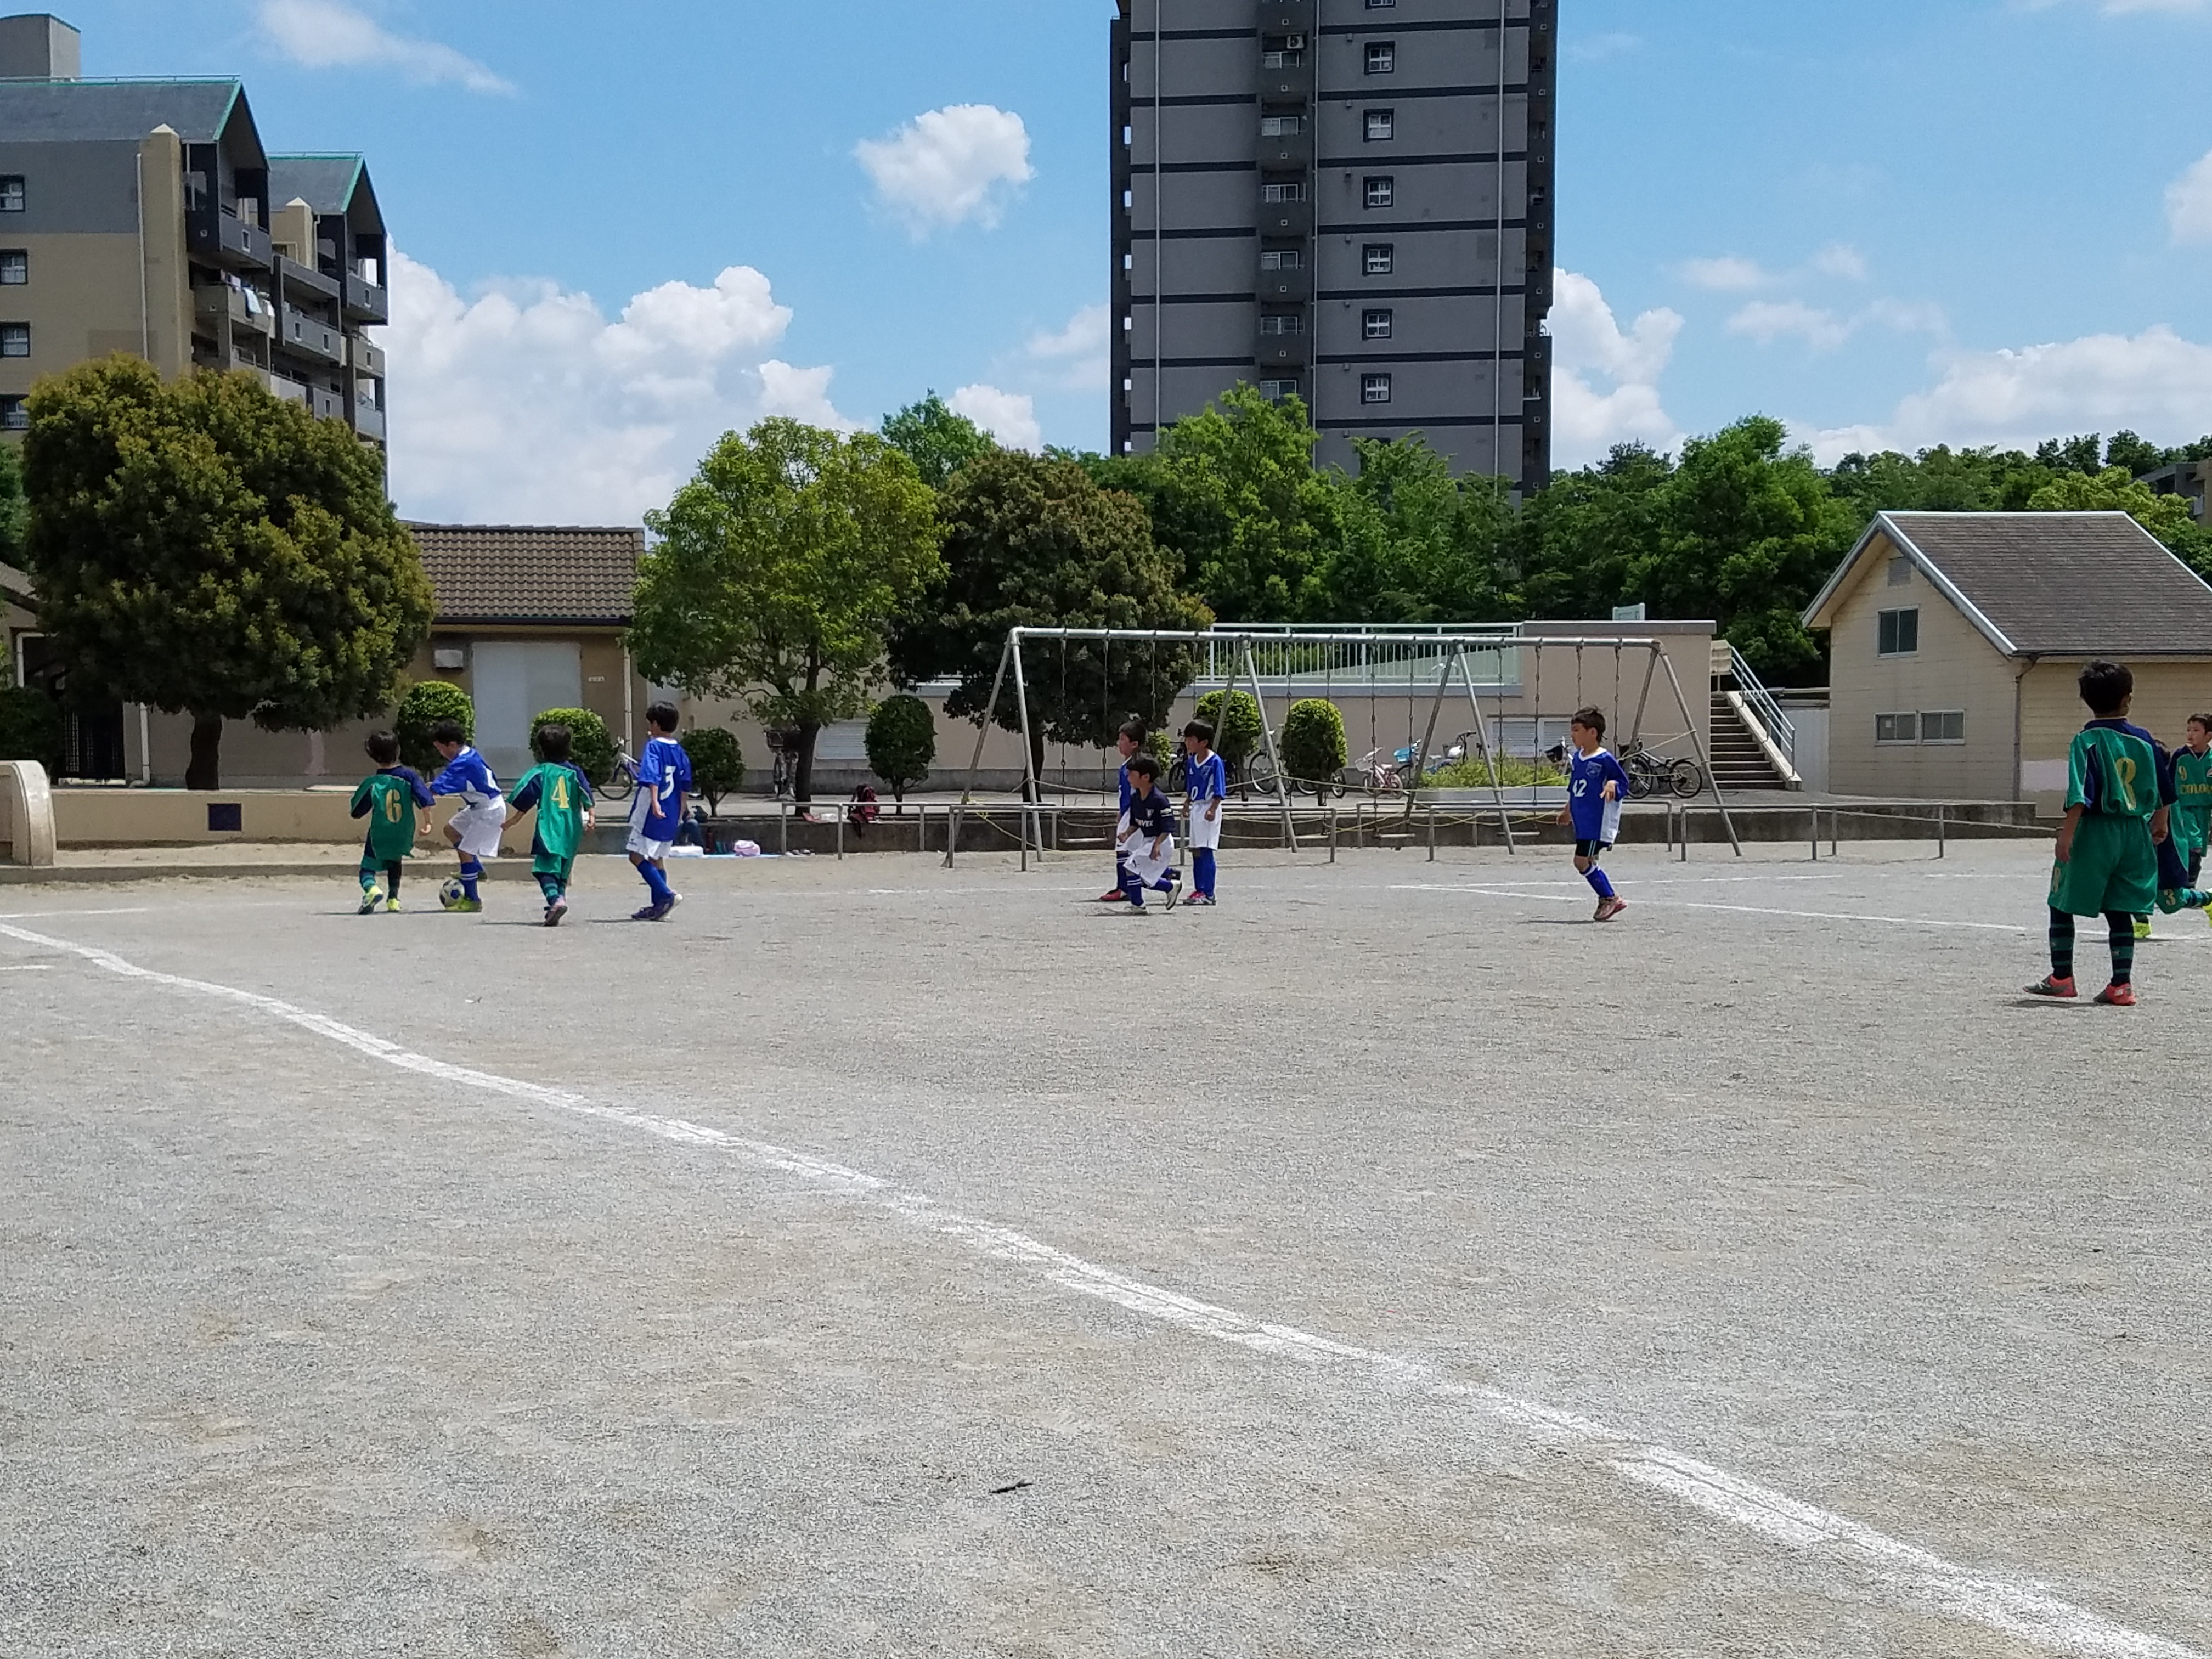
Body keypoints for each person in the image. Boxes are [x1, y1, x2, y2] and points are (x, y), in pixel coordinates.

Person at [2030, 661, 2176, 1006]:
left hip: (2096, 830)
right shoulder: (2145, 740)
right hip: (2134, 831)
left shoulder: (2086, 741)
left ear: (2085, 699)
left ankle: (2062, 977)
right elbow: (2165, 789)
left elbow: (2080, 793)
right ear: (2128, 698)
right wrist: (2161, 822)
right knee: (2121, 906)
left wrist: (2066, 835)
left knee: (2060, 900)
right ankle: (2121, 985)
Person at [504, 724, 595, 927]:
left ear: (541, 750)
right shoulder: (574, 772)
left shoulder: (541, 772)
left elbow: (524, 795)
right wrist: (592, 815)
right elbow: (586, 793)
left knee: (544, 869)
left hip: (550, 828)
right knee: (562, 871)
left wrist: (513, 820)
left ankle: (555, 901)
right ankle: (558, 901)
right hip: (571, 828)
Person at [1556, 705, 1633, 923]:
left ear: (1593, 733)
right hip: (1582, 820)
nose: (1573, 735)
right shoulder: (1579, 758)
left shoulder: (1604, 759)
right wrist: (1567, 811)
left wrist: (1611, 784)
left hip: (1596, 822)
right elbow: (1575, 788)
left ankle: (1610, 897)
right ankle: (1608, 897)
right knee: (1585, 861)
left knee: (1581, 861)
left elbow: (1622, 783)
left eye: (1577, 730)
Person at [348, 731, 432, 914]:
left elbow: (356, 811)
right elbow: (424, 799)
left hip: (380, 830)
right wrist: (428, 822)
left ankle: (372, 889)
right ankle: (393, 899)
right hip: (403, 831)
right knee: (396, 861)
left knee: (367, 867)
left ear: (372, 756)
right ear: (398, 750)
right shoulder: (409, 777)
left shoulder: (372, 783)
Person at [427, 720, 505, 913]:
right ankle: (475, 870)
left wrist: (416, 790)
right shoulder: (468, 754)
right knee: (451, 830)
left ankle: (473, 899)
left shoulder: (463, 763)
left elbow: (437, 789)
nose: (440, 753)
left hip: (489, 810)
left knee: (466, 851)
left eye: (441, 749)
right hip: (479, 806)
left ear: (452, 745)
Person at [627, 702, 692, 922]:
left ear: (655, 724)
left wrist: (654, 802)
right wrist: (682, 810)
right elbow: (685, 783)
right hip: (672, 809)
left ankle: (666, 895)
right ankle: (659, 906)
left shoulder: (654, 746)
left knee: (635, 855)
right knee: (657, 857)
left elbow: (653, 776)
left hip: (651, 810)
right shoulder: (679, 750)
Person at [1117, 754, 1182, 911]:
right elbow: (1135, 822)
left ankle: (1138, 905)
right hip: (1148, 841)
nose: (1128, 777)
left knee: (1131, 868)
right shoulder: (1136, 797)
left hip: (1162, 841)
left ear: (1145, 777)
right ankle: (1169, 887)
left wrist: (1157, 845)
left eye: (1132, 774)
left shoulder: (1159, 800)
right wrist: (1126, 833)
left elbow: (1168, 827)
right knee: (1143, 877)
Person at [1096, 719, 1148, 904]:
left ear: (1134, 744)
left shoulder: (1136, 766)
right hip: (1127, 812)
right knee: (1127, 851)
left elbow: (1137, 793)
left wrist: (1130, 812)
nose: (1119, 743)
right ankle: (1126, 886)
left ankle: (1125, 888)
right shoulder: (1126, 765)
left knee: (1124, 851)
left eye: (1123, 739)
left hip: (1133, 814)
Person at [1181, 719, 1227, 907]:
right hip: (1197, 807)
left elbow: (1219, 787)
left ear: (1203, 742)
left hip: (1209, 807)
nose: (1187, 743)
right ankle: (1199, 889)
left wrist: (1213, 808)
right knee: (1196, 851)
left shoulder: (1215, 762)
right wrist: (1187, 803)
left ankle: (1209, 892)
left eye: (1191, 739)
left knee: (1207, 850)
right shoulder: (1192, 762)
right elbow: (1191, 786)